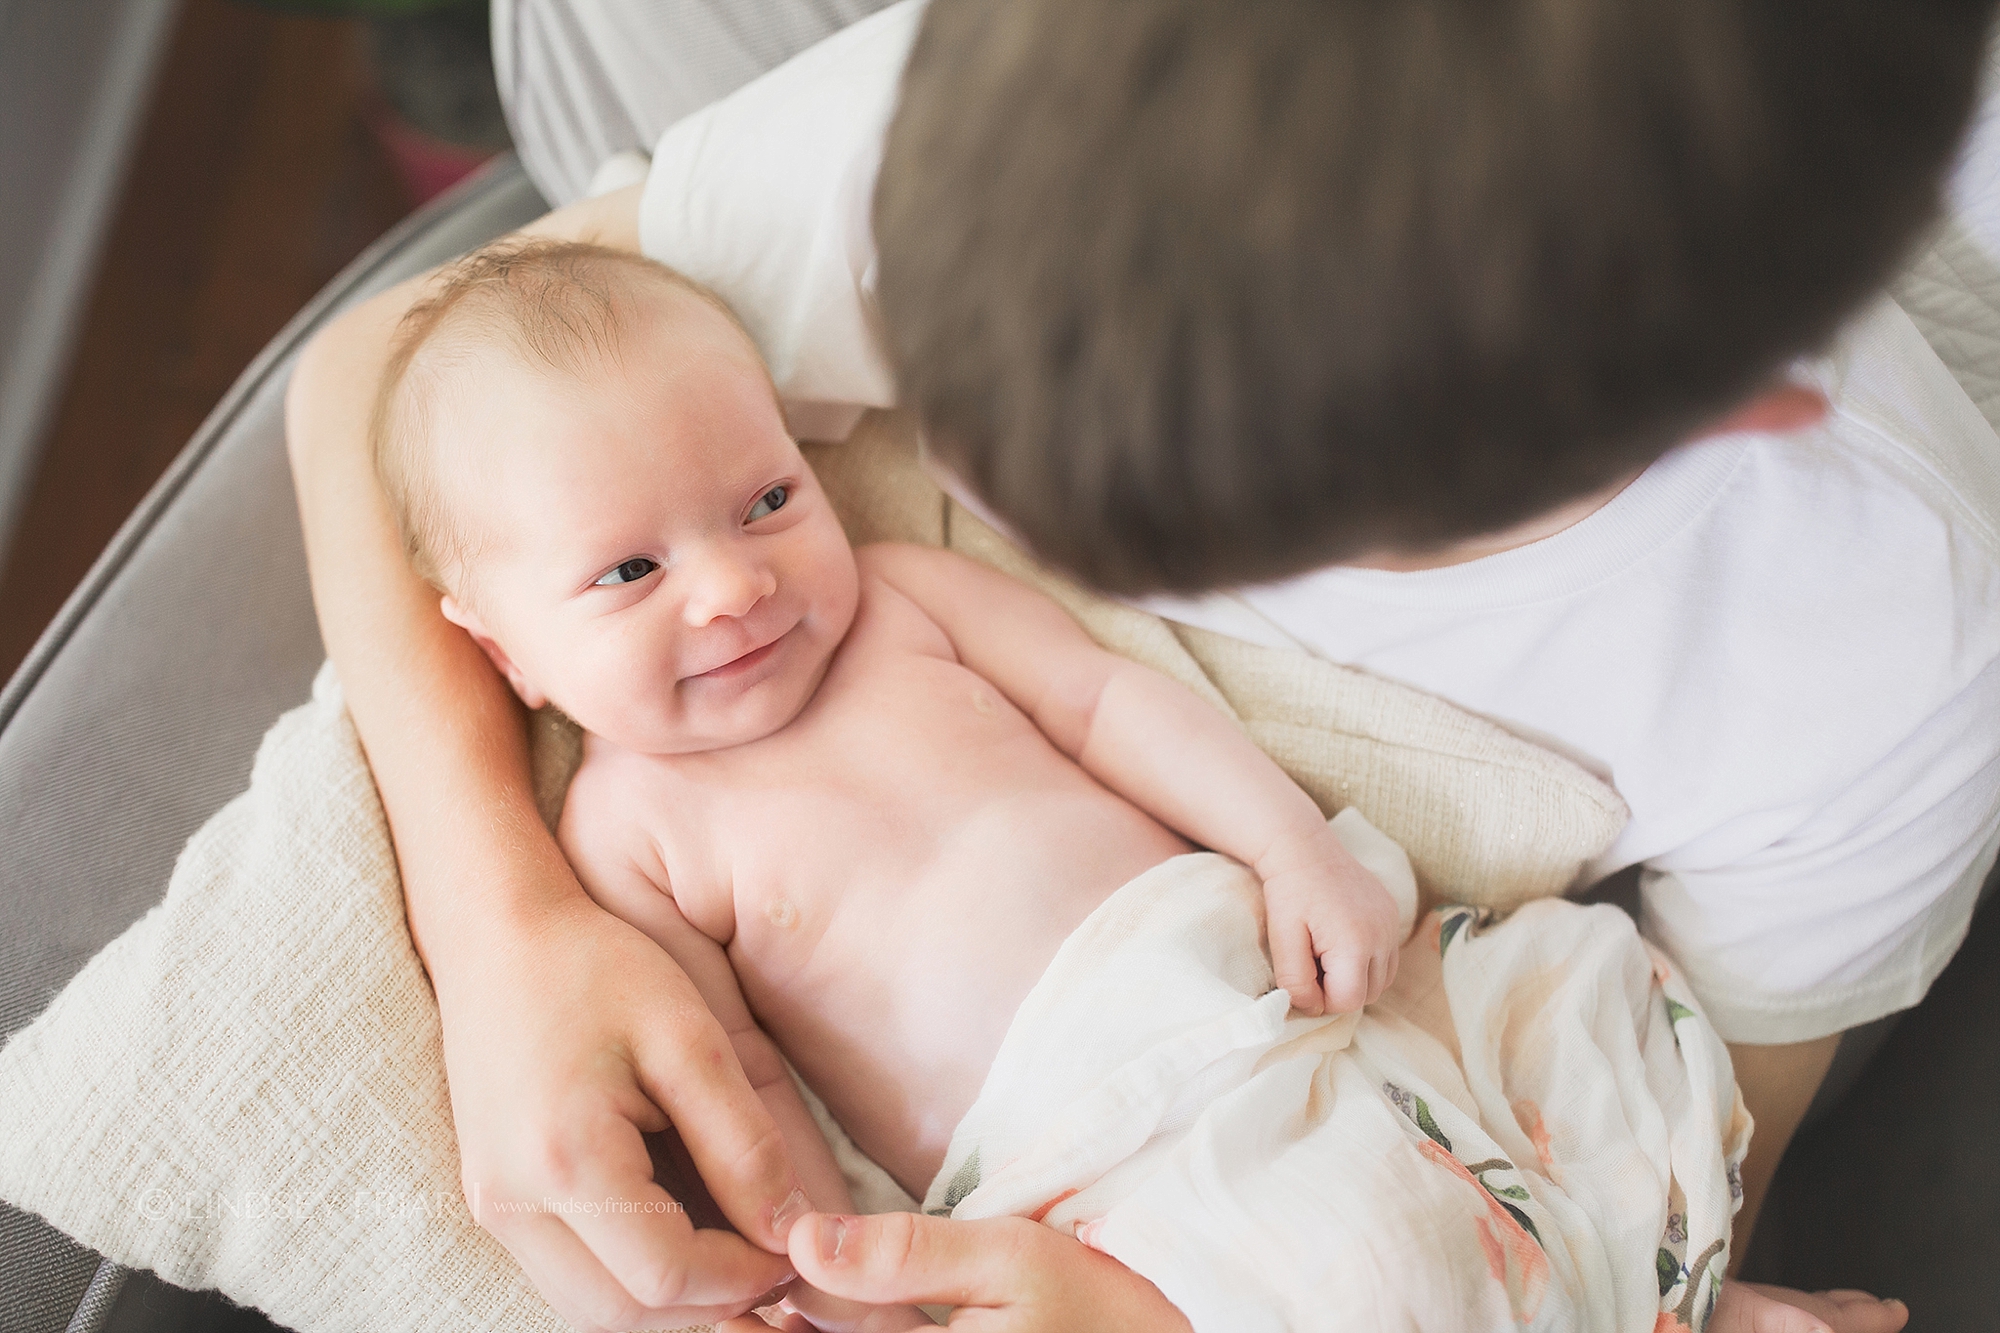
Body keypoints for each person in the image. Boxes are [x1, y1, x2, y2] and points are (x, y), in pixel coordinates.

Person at [288, 0, 2000, 1327]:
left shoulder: (1873, 645)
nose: (924, 515)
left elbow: (1670, 1166)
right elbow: (372, 373)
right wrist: (501, 921)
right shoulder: (1050, 111)